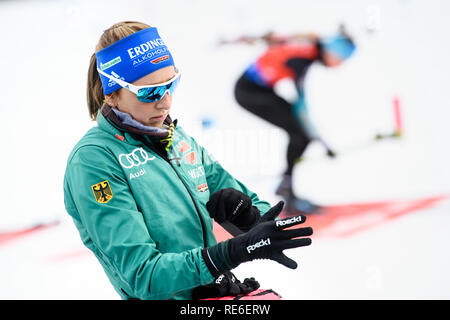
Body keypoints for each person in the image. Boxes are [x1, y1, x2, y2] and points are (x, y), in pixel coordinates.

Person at [63, 21, 313, 300]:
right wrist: (228, 253)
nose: (165, 102)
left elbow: (258, 211)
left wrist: (248, 218)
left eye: (171, 84)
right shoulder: (94, 160)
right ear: (111, 94)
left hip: (214, 292)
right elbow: (143, 276)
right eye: (149, 92)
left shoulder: (174, 137)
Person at [232, 26, 356, 215]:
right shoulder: (303, 59)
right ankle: (288, 191)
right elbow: (302, 106)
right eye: (340, 59)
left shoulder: (311, 46)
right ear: (331, 52)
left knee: (300, 133)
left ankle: (286, 186)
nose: (338, 65)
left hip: (259, 89)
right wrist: (321, 141)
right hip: (249, 92)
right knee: (299, 133)